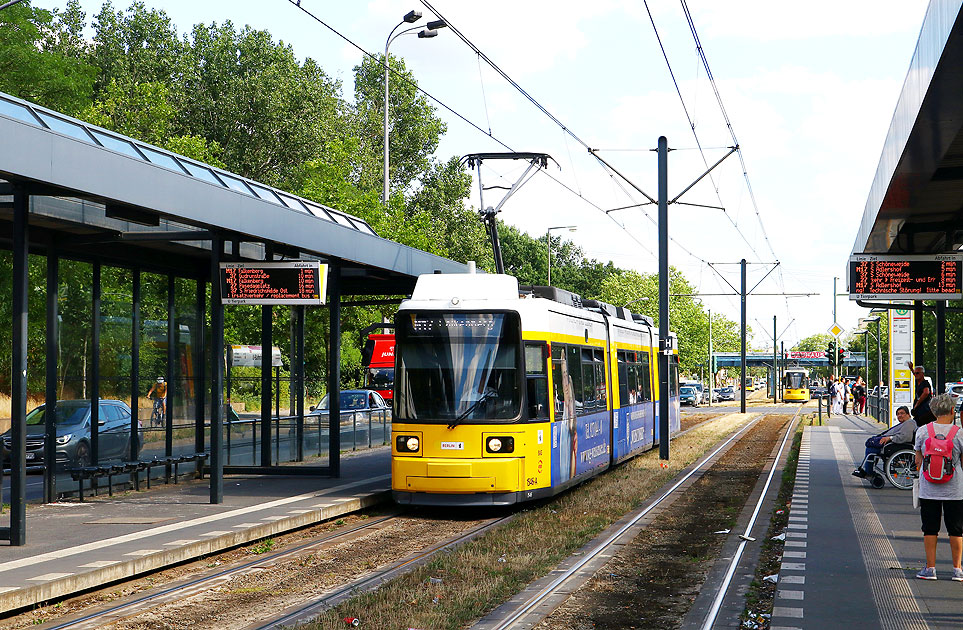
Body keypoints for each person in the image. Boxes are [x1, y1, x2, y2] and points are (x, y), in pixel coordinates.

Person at [913, 393, 963, 580]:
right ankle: (957, 570)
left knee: (930, 528)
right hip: (955, 490)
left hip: (929, 488)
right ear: (952, 410)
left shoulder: (923, 431)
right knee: (956, 529)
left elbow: (918, 460)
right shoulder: (959, 433)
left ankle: (930, 568)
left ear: (933, 412)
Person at [853, 405, 915, 477]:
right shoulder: (906, 423)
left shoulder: (909, 423)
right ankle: (868, 470)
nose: (899, 415)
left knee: (871, 450)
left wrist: (890, 438)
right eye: (898, 414)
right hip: (894, 444)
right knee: (871, 447)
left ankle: (868, 472)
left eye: (902, 413)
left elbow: (906, 437)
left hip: (896, 446)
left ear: (908, 414)